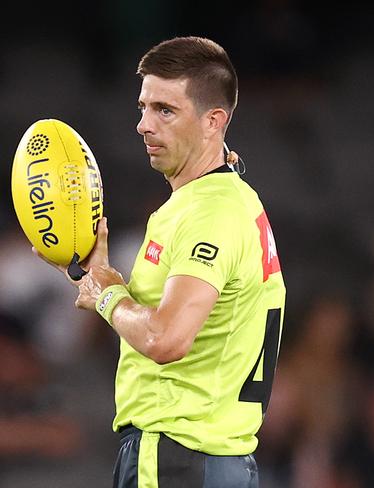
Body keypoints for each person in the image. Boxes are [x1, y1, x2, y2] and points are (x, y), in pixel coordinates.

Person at [35, 36, 286, 487]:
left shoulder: (209, 213)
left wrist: (108, 294)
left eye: (165, 110)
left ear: (215, 121)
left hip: (177, 455)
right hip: (212, 457)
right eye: (143, 107)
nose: (144, 125)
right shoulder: (221, 201)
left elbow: (167, 338)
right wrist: (92, 277)